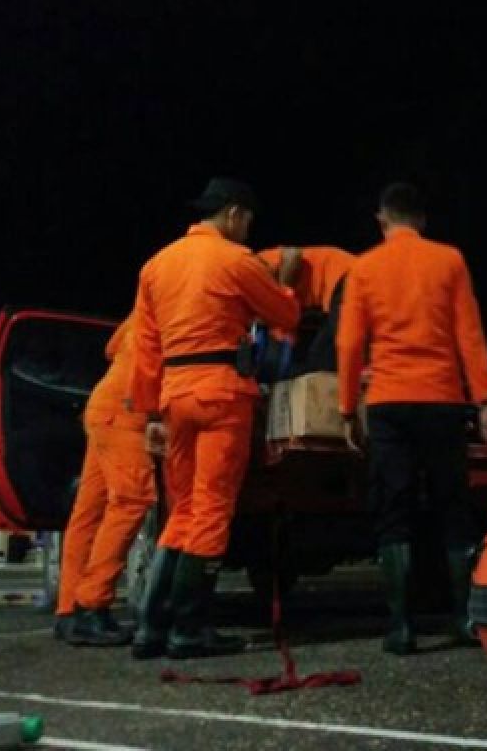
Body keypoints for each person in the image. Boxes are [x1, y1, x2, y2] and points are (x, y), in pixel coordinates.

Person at [128, 177, 300, 660]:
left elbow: (146, 350)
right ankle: (189, 629)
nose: (247, 229)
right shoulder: (234, 260)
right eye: (247, 220)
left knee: (180, 510)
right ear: (232, 214)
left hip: (174, 396)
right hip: (221, 394)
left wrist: (149, 415)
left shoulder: (156, 266)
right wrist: (284, 282)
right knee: (210, 509)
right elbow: (281, 312)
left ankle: (151, 627)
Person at [336, 182, 487, 655]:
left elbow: (349, 345)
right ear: (423, 221)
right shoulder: (449, 260)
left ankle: (401, 626)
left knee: (395, 507)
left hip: (388, 402)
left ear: (382, 220)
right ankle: (465, 618)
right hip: (443, 398)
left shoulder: (364, 268)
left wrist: (348, 407)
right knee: (454, 505)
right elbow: (469, 334)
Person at [54, 316, 155, 646]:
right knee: (131, 501)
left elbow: (111, 349)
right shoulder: (189, 312)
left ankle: (69, 610)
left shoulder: (145, 308)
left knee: (89, 512)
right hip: (126, 413)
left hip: (103, 406)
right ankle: (91, 605)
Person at [256, 246, 355, 372]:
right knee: (319, 358)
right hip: (333, 294)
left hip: (344, 276)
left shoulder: (255, 265)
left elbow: (293, 255)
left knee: (326, 355)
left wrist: (284, 297)